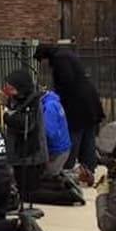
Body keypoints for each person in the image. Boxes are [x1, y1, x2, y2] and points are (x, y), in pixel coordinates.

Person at [33, 45, 104, 185]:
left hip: (76, 103)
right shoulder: (66, 54)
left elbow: (66, 81)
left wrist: (57, 96)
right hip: (88, 100)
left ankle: (68, 170)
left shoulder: (60, 59)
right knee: (88, 136)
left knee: (74, 136)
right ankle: (88, 169)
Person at [2, 69, 49, 206]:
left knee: (30, 193)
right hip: (20, 152)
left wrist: (7, 115)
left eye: (11, 87)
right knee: (25, 189)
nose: (7, 90)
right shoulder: (17, 99)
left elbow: (27, 124)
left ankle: (67, 194)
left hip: (30, 153)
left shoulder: (33, 101)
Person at [40, 89, 72, 175]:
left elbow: (49, 133)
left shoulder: (49, 107)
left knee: (49, 179)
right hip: (62, 147)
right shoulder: (54, 102)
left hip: (56, 151)